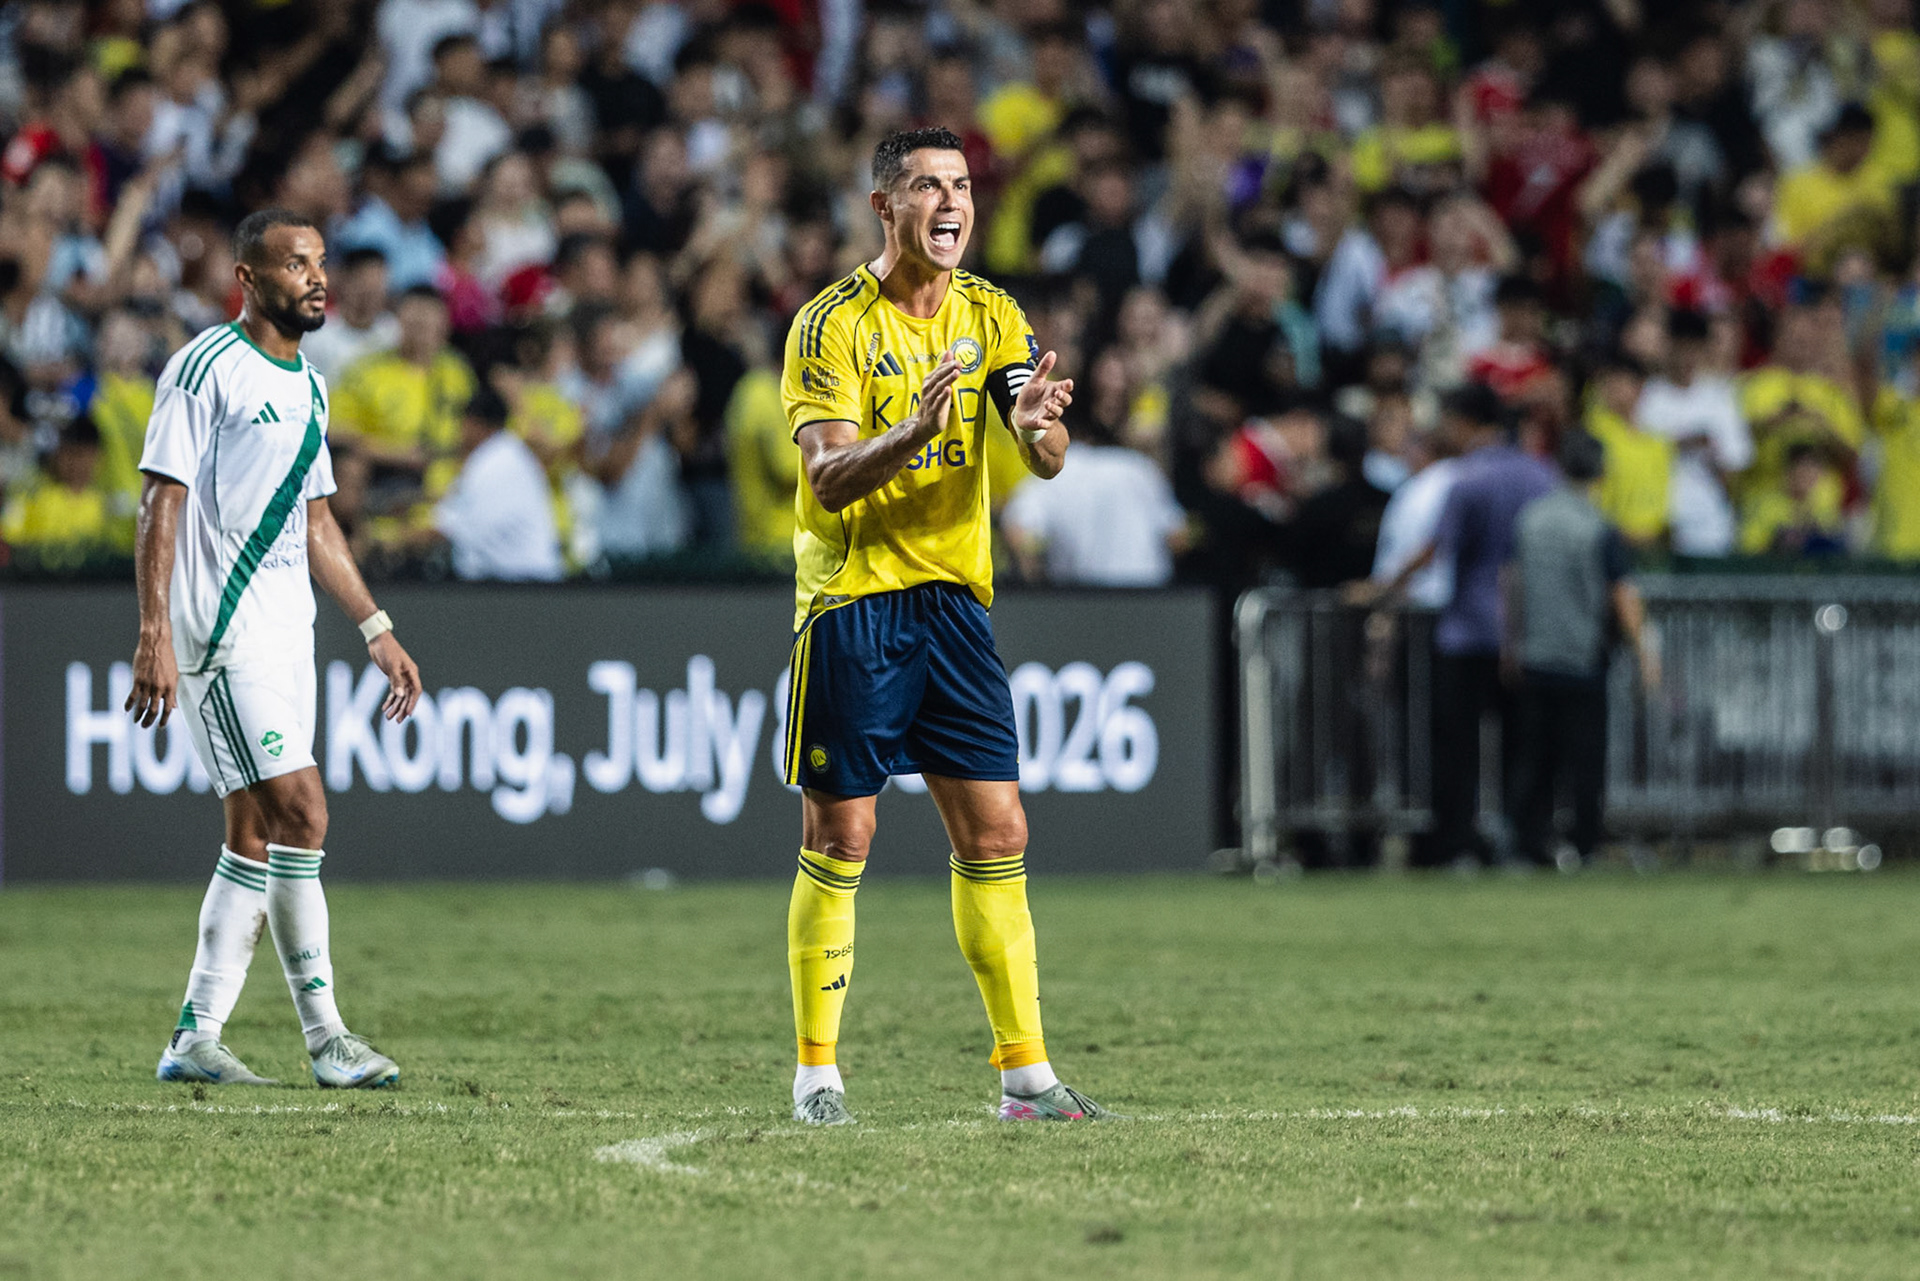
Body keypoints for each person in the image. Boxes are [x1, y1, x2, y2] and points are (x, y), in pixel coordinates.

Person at [777, 127, 1106, 1125]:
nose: (950, 202)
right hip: (855, 603)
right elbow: (827, 480)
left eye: (961, 185)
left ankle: (1027, 1078)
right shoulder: (829, 325)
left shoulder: (993, 313)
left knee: (999, 828)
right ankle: (817, 1074)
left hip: (956, 606)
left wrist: (1046, 426)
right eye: (927, 185)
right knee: (844, 833)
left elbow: (1037, 443)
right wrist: (912, 432)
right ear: (885, 207)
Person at [125, 210, 422, 1091]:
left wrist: (375, 625)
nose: (316, 278)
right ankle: (328, 1037)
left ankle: (195, 1033)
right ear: (249, 278)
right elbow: (160, 502)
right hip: (221, 632)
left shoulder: (313, 387)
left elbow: (319, 520)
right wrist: (153, 630)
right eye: (296, 264)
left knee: (254, 835)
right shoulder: (202, 368)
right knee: (306, 812)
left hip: (290, 634)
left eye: (319, 262)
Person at [1503, 431, 1659, 868]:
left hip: (1535, 655)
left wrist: (1510, 644)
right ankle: (1582, 844)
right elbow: (1621, 593)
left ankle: (1526, 844)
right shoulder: (1596, 526)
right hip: (1581, 657)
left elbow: (1512, 585)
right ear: (1601, 472)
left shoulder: (1530, 519)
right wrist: (1645, 651)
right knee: (1584, 760)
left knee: (1534, 759)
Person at [433, 385, 563, 581]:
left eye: (464, 422)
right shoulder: (501, 455)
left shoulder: (497, 462)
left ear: (478, 424)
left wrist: (391, 543)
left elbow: (450, 528)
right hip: (513, 585)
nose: (460, 430)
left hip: (525, 586)